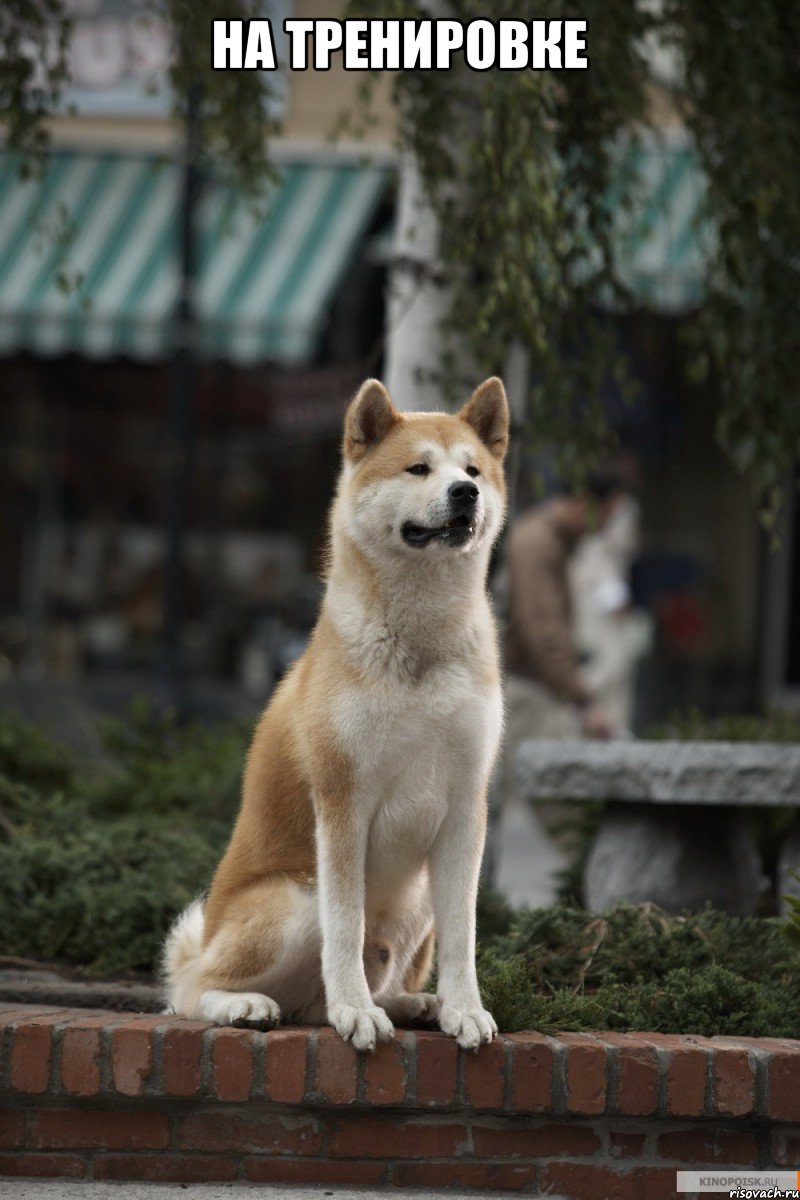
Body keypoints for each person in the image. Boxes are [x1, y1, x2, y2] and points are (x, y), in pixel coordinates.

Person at [503, 469, 627, 744]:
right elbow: (542, 631)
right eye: (607, 514)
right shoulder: (538, 544)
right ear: (586, 502)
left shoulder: (552, 541)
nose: (605, 526)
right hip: (527, 691)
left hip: (537, 686)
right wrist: (583, 701)